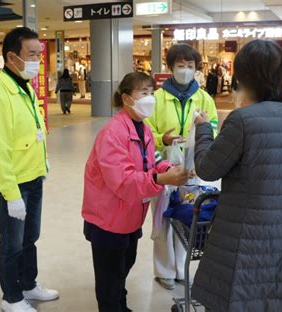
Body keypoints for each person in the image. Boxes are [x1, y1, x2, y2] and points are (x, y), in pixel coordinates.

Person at [191, 39, 282, 311]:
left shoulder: (242, 120)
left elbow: (207, 169)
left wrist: (203, 130)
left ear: (241, 76)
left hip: (244, 237)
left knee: (241, 297)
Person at [82, 72, 190, 312]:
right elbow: (123, 181)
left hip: (130, 216)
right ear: (126, 98)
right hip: (108, 220)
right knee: (110, 278)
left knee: (123, 267)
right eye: (143, 93)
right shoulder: (113, 133)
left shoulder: (143, 129)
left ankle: (121, 305)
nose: (150, 99)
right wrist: (162, 178)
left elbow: (149, 163)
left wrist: (169, 168)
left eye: (151, 93)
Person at [0, 27, 58, 312]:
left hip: (34, 178)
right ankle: (11, 297)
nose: (38, 60)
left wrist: (43, 167)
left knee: (30, 238)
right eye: (32, 54)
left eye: (39, 54)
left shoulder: (23, 86)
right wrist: (10, 193)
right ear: (12, 57)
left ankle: (29, 283)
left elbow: (34, 133)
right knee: (12, 243)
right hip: (14, 184)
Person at [144, 43, 219, 290]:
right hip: (163, 165)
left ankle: (181, 269)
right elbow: (146, 132)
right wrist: (162, 140)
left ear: (197, 68)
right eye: (180, 65)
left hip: (194, 167)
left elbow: (214, 128)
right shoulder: (156, 98)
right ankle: (164, 270)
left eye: (190, 66)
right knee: (163, 216)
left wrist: (204, 138)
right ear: (170, 67)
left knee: (187, 216)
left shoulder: (204, 98)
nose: (185, 70)